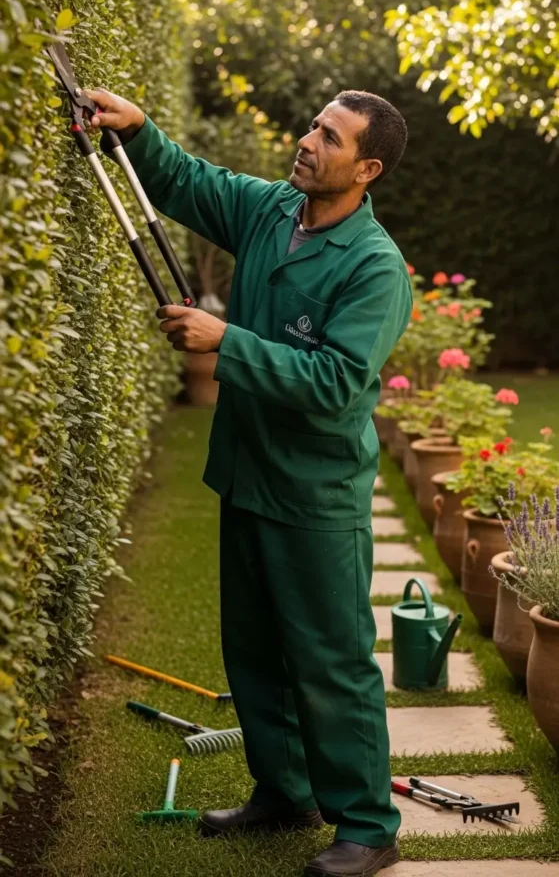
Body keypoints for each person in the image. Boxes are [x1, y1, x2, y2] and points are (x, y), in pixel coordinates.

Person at [87, 86, 412, 877]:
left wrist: (224, 341)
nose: (307, 141)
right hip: (247, 474)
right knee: (255, 652)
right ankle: (284, 792)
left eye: (329, 138)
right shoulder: (271, 211)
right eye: (313, 126)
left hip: (314, 495)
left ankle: (368, 826)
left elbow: (337, 382)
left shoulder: (374, 267)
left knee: (330, 664)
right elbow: (189, 182)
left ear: (366, 169)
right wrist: (140, 129)